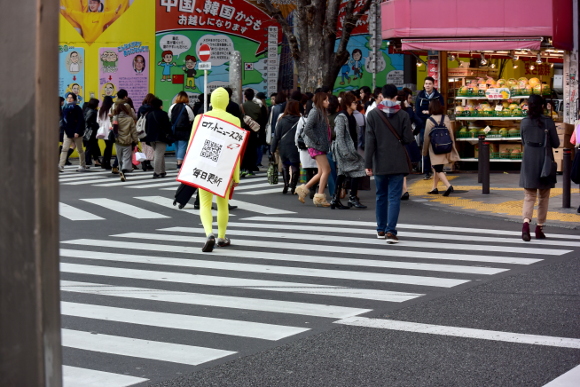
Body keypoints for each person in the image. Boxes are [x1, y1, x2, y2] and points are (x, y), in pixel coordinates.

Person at [190, 87, 241, 252]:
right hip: (224, 167)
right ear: (226, 101)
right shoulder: (234, 120)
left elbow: (192, 144)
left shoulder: (200, 118)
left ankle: (208, 234)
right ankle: (221, 236)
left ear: (211, 102)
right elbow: (236, 150)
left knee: (204, 203)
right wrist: (236, 175)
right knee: (222, 204)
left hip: (204, 164)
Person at [366, 84, 413, 243]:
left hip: (379, 161)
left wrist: (368, 163)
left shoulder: (372, 115)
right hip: (397, 161)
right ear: (396, 97)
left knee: (381, 196)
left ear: (381, 95)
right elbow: (408, 139)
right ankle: (391, 232)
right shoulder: (403, 115)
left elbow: (369, 141)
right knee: (394, 197)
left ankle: (380, 229)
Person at [519, 94, 559, 241]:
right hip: (544, 161)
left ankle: (525, 225)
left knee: (529, 196)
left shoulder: (524, 122)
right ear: (543, 106)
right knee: (543, 197)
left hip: (529, 159)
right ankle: (539, 228)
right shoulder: (548, 122)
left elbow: (523, 140)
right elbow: (556, 143)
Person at [295, 92, 332, 207]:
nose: (328, 102)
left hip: (318, 146)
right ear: (320, 101)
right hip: (316, 146)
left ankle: (304, 189)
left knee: (321, 171)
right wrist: (317, 141)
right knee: (327, 170)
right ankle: (320, 196)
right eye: (325, 100)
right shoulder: (315, 112)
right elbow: (307, 129)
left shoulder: (320, 112)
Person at [331, 92, 367, 210]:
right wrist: (345, 152)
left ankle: (336, 199)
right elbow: (339, 136)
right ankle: (351, 198)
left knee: (342, 173)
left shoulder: (351, 116)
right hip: (343, 149)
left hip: (350, 148)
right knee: (357, 169)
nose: (357, 104)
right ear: (347, 104)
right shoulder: (341, 117)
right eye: (354, 102)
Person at [422, 99, 460, 197]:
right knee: (437, 168)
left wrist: (424, 151)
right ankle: (434, 188)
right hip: (446, 146)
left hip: (435, 148)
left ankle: (448, 186)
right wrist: (452, 146)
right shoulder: (446, 118)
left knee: (437, 168)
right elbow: (451, 133)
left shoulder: (429, 120)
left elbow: (427, 137)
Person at [415, 76, 444, 180]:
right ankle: (427, 171)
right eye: (426, 83)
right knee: (425, 148)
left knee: (438, 147)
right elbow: (418, 112)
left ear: (433, 85)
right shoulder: (420, 97)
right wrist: (430, 114)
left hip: (436, 126)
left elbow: (441, 110)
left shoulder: (438, 97)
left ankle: (438, 170)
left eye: (429, 84)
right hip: (423, 126)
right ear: (424, 85)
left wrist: (428, 112)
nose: (427, 85)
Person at [271, 100, 301, 194]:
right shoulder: (300, 120)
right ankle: (293, 186)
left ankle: (286, 185)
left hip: (283, 145)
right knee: (295, 165)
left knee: (285, 165)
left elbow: (276, 136)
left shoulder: (282, 120)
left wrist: (272, 149)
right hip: (295, 146)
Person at [112, 89, 138, 181]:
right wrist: (135, 140)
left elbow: (113, 126)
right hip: (127, 139)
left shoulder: (115, 115)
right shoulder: (129, 118)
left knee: (119, 156)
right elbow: (133, 130)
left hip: (118, 139)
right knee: (127, 157)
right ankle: (124, 169)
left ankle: (120, 168)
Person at [143, 97, 172, 178]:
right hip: (161, 137)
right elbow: (167, 126)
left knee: (160, 154)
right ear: (160, 105)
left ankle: (162, 171)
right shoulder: (163, 114)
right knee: (158, 154)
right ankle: (157, 172)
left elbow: (146, 126)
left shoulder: (148, 114)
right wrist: (170, 135)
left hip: (151, 137)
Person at [59, 92, 87, 172]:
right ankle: (61, 165)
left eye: (71, 98)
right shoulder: (65, 107)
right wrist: (64, 128)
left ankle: (82, 165)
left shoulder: (77, 108)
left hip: (76, 132)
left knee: (79, 149)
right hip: (67, 132)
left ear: (74, 99)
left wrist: (77, 131)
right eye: (68, 97)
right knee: (64, 149)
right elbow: (64, 120)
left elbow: (80, 121)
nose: (69, 99)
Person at [168, 91, 195, 169]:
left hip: (174, 130)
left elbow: (169, 116)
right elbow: (192, 118)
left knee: (177, 146)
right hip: (184, 129)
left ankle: (178, 160)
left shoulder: (172, 106)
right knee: (182, 146)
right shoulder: (186, 107)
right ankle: (180, 163)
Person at [240, 88, 262, 176]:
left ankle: (243, 168)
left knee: (244, 150)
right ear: (253, 96)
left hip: (244, 130)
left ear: (245, 96)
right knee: (252, 150)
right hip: (254, 130)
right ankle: (250, 169)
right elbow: (261, 118)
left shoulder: (242, 106)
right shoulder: (257, 106)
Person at [82, 98, 101, 167]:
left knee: (92, 146)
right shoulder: (92, 112)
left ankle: (95, 160)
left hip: (87, 131)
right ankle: (88, 161)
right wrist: (96, 125)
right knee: (90, 146)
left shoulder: (86, 110)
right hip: (91, 131)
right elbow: (88, 121)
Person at [98, 96, 115, 169]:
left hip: (103, 131)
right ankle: (106, 163)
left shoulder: (100, 110)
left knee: (107, 147)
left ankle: (104, 162)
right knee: (109, 147)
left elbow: (98, 121)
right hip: (110, 130)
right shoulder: (111, 110)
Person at [255, 92, 269, 168]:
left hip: (255, 129)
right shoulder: (263, 107)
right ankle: (258, 161)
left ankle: (257, 161)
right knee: (260, 146)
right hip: (261, 129)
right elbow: (265, 119)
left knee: (257, 147)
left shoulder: (256, 106)